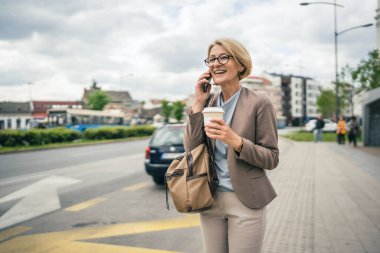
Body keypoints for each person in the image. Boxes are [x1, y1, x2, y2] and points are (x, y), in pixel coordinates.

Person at [183, 38, 279, 253]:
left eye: (224, 57)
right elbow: (191, 150)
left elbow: (272, 157)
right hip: (210, 198)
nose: (216, 63)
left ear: (241, 65)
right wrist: (198, 103)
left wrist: (236, 141)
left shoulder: (259, 102)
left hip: (245, 200)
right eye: (212, 59)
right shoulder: (208, 103)